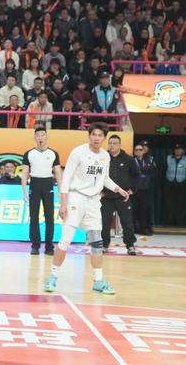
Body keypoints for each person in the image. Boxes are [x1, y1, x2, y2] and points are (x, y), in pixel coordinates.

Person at [45, 122, 130, 295]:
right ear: (89, 136)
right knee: (66, 239)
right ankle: (53, 277)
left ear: (104, 138)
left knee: (97, 241)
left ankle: (98, 281)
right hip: (76, 198)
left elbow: (104, 178)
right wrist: (63, 204)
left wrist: (118, 189)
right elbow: (66, 178)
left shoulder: (105, 156)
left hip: (94, 201)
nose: (96, 138)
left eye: (100, 135)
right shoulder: (78, 152)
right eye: (94, 135)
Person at [21, 128, 63, 255]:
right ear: (35, 138)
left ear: (46, 137)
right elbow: (24, 173)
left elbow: (58, 173)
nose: (40, 137)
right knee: (33, 216)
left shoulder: (53, 153)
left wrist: (60, 190)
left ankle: (49, 246)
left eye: (42, 135)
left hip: (48, 183)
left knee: (50, 216)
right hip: (34, 183)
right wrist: (24, 191)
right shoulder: (28, 153)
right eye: (38, 135)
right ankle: (35, 245)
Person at [101, 135, 139, 255]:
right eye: (110, 143)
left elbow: (137, 175)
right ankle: (104, 245)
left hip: (123, 196)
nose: (112, 145)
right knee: (104, 222)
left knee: (127, 222)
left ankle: (130, 245)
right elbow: (97, 175)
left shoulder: (128, 159)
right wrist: (99, 191)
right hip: (106, 196)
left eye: (115, 143)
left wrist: (132, 189)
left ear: (120, 145)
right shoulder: (103, 158)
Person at [132, 143, 155, 235]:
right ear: (134, 151)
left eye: (140, 150)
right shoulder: (131, 161)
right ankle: (134, 228)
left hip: (145, 189)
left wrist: (140, 170)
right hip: (134, 189)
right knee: (133, 210)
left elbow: (151, 169)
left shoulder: (148, 160)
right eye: (136, 150)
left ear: (143, 151)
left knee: (144, 210)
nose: (138, 151)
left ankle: (144, 228)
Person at [164, 144, 185, 226]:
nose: (177, 150)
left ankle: (180, 223)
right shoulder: (169, 158)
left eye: (179, 149)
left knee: (181, 204)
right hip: (170, 184)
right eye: (176, 149)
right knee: (169, 204)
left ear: (183, 150)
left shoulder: (185, 159)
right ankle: (169, 223)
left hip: (182, 184)